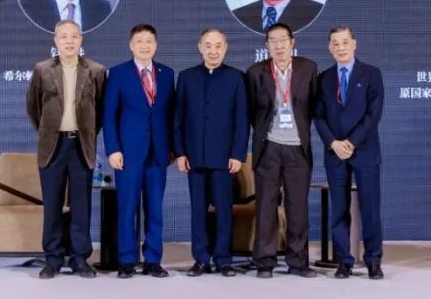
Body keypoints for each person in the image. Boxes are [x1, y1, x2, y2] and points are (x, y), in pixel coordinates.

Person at [26, 20, 106, 279]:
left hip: (81, 145)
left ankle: (80, 258)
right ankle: (53, 259)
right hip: (53, 146)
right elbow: (34, 108)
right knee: (52, 205)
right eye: (64, 36)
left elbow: (100, 110)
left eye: (74, 36)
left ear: (81, 40)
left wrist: (87, 133)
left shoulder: (96, 70)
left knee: (82, 205)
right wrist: (50, 132)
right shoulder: (42, 69)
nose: (69, 41)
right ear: (56, 40)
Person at [245, 22, 318, 278]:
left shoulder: (308, 68)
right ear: (266, 45)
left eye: (283, 40)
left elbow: (313, 106)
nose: (278, 45)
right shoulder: (255, 72)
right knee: (266, 206)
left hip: (298, 148)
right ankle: (265, 262)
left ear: (292, 42)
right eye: (273, 41)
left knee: (297, 208)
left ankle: (298, 262)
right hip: (269, 147)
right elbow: (251, 112)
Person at [173, 28, 248, 278]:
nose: (213, 51)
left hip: (224, 158)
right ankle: (201, 259)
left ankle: (223, 259)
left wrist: (238, 154)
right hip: (194, 157)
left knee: (224, 210)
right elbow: (178, 119)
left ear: (225, 48)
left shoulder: (236, 77)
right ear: (200, 47)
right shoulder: (187, 77)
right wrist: (180, 153)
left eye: (218, 46)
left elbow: (242, 120)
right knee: (198, 210)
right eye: (208, 45)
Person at [103, 24, 175, 278]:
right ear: (131, 45)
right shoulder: (118, 73)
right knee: (127, 208)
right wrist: (113, 148)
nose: (145, 45)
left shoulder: (167, 73)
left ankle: (153, 260)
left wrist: (172, 148)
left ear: (155, 45)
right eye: (140, 41)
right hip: (128, 153)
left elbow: (171, 114)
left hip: (159, 153)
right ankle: (126, 260)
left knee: (155, 209)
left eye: (149, 41)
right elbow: (109, 115)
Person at [313, 26, 385, 280]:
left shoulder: (371, 74)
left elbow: (373, 114)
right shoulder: (323, 79)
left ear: (354, 44)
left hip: (364, 151)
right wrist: (333, 143)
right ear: (329, 48)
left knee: (370, 209)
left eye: (345, 42)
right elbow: (318, 116)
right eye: (335, 43)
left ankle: (373, 260)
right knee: (339, 209)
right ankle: (344, 261)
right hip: (335, 154)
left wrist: (351, 142)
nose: (340, 47)